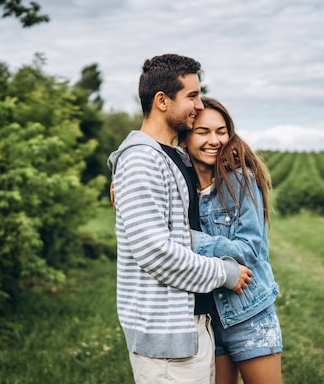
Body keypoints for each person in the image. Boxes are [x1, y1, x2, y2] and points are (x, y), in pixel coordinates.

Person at [107, 54, 254, 384]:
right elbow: (155, 252)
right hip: (166, 340)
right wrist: (224, 272)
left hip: (190, 327)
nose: (199, 105)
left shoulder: (174, 158)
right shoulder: (143, 162)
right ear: (162, 100)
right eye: (191, 95)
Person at [178, 97, 283, 384]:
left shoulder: (240, 181)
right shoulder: (180, 186)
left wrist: (189, 239)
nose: (214, 140)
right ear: (185, 139)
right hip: (207, 320)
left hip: (248, 314)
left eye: (221, 131)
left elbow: (248, 252)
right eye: (203, 132)